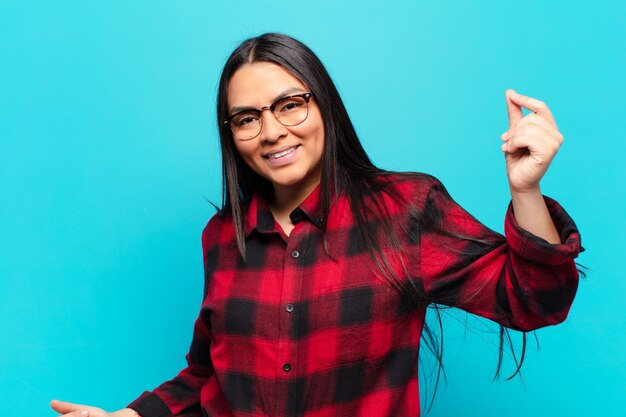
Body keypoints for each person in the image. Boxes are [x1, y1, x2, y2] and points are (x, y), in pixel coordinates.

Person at [50, 32, 582, 417]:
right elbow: (209, 376)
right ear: (231, 133)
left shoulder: (405, 210)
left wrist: (525, 190)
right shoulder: (221, 237)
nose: (272, 132)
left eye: (290, 105)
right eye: (247, 118)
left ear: (324, 105)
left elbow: (537, 300)